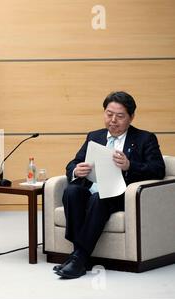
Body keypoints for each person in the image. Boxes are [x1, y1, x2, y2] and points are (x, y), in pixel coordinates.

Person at [55, 91, 165, 279]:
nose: (113, 120)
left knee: (100, 198)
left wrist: (130, 165)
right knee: (72, 191)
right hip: (93, 188)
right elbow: (73, 163)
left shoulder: (144, 138)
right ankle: (79, 257)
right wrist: (76, 170)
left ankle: (78, 259)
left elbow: (158, 170)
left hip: (121, 194)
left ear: (131, 117)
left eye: (120, 116)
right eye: (109, 114)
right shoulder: (94, 136)